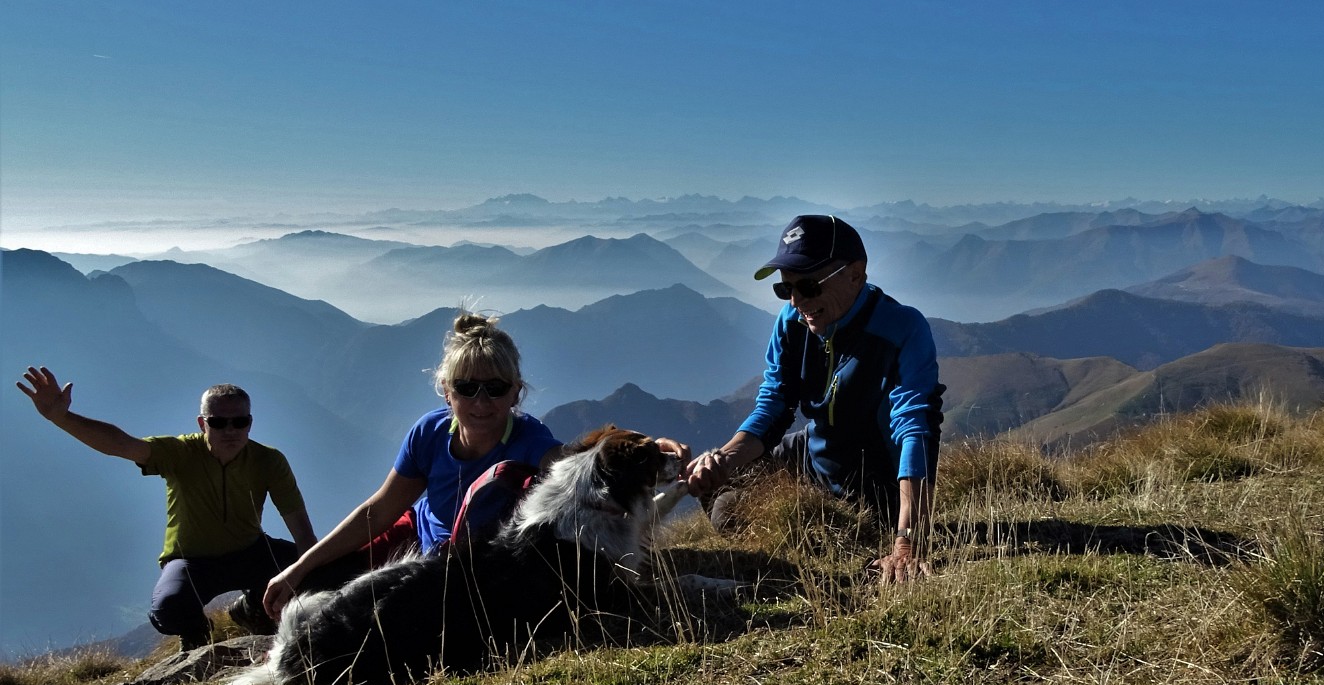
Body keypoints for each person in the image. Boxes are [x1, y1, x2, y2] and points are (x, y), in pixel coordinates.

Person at [262, 311, 690, 621]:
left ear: (516, 393)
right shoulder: (428, 433)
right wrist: (300, 566)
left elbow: (584, 466)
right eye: (467, 388)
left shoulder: (530, 440)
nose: (481, 402)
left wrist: (653, 452)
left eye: (495, 388)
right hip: (418, 536)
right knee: (319, 583)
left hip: (467, 564)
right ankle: (256, 607)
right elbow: (378, 511)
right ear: (446, 392)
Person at [684, 214, 945, 583]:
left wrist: (907, 543)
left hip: (871, 481)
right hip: (813, 453)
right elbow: (775, 403)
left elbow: (915, 426)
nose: (795, 300)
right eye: (784, 288)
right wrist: (723, 459)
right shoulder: (792, 321)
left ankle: (815, 533)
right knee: (713, 485)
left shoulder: (901, 329)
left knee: (730, 512)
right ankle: (791, 526)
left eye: (808, 285)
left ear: (855, 273)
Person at [15, 368, 318, 649]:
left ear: (250, 422)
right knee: (168, 611)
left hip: (251, 551)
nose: (230, 430)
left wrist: (309, 572)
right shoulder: (181, 453)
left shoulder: (269, 461)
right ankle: (198, 634)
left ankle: (252, 610)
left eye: (240, 422)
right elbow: (121, 445)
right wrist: (62, 418)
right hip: (192, 561)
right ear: (202, 424)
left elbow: (301, 529)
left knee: (317, 568)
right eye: (218, 422)